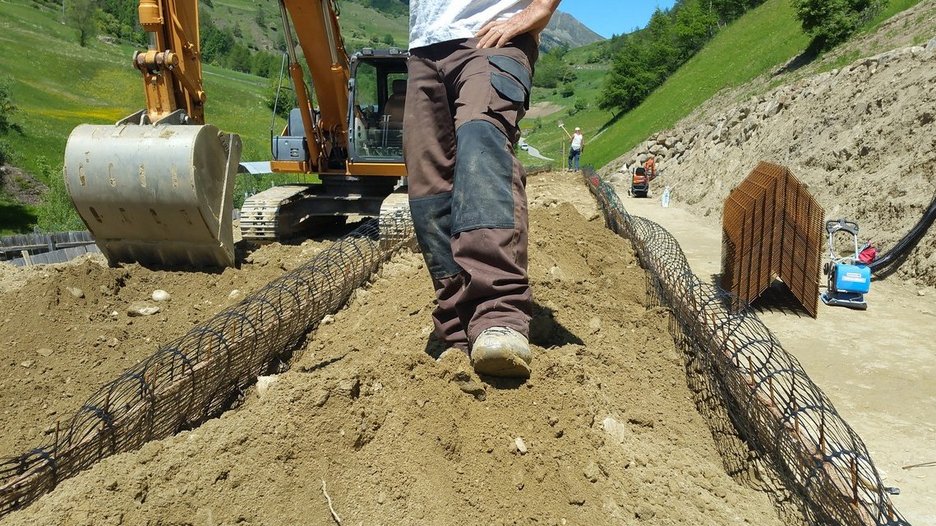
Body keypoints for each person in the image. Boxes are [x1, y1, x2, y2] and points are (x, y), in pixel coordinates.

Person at [404, 0, 561, 378]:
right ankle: (457, 326)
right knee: (427, 186)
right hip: (423, 51)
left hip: (490, 35)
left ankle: (498, 313)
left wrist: (540, 7)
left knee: (481, 143)